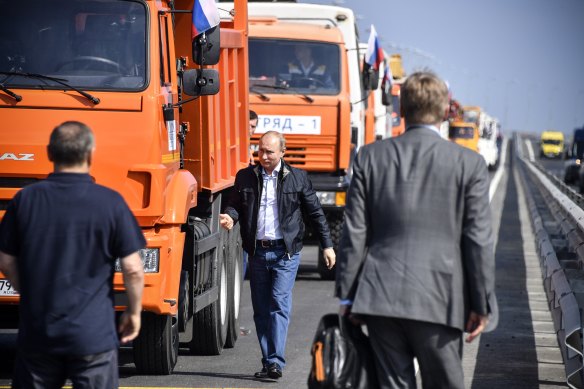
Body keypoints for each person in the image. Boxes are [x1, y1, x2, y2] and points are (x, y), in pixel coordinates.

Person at [335, 71, 497, 389]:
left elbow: (354, 231)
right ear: (444, 110)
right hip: (441, 299)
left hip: (379, 297)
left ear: (402, 109)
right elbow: (478, 240)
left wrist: (349, 295)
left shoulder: (370, 156)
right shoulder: (469, 163)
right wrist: (481, 304)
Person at [0, 121, 145, 389]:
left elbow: (6, 260)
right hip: (93, 336)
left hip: (39, 333)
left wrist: (29, 292)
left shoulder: (25, 200)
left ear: (49, 153)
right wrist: (134, 313)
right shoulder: (110, 202)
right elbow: (133, 269)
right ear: (90, 154)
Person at [220, 130, 336, 380]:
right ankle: (268, 360)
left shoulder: (298, 178)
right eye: (260, 150)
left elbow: (315, 213)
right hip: (258, 253)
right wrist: (230, 215)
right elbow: (234, 204)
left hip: (285, 253)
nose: (263, 156)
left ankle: (275, 362)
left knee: (278, 304)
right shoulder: (246, 177)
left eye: (269, 152)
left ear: (282, 152)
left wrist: (327, 245)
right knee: (261, 310)